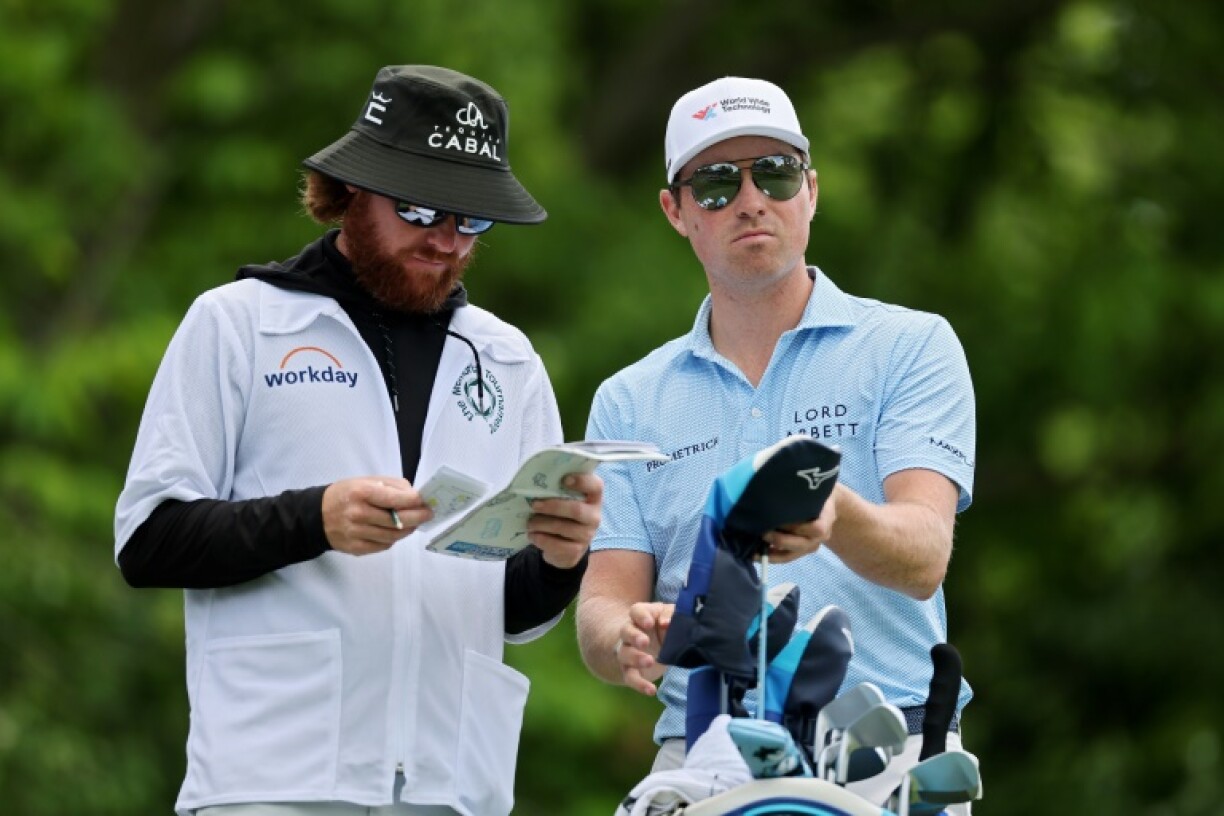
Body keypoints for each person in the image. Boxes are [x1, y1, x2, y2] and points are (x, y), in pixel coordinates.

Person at [114, 65, 602, 816]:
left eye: (471, 220)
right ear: (352, 192)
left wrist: (564, 560)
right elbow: (148, 541)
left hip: (454, 785)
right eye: (421, 209)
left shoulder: (508, 358)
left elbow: (514, 614)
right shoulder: (239, 323)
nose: (446, 240)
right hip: (273, 782)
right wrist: (316, 518)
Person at [576, 76, 977, 811]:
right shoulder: (628, 399)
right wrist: (624, 637)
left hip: (886, 748)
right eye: (718, 183)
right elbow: (603, 606)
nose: (752, 199)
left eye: (777, 173)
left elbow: (924, 556)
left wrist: (834, 515)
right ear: (677, 211)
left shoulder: (911, 346)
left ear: (811, 193)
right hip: (704, 754)